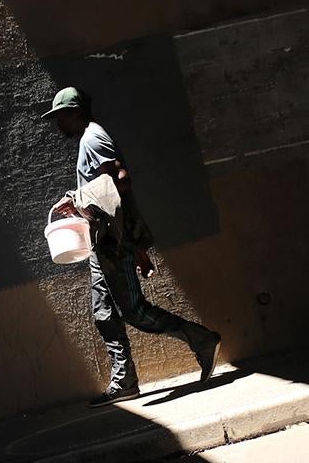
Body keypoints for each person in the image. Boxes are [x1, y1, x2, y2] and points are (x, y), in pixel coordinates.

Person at [41, 86, 220, 404]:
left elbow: (122, 181)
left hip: (113, 243)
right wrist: (139, 249)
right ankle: (124, 381)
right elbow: (116, 203)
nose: (58, 125)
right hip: (104, 241)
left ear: (76, 111)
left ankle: (201, 339)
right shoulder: (88, 139)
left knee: (133, 312)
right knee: (102, 314)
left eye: (61, 117)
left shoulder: (93, 138)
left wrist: (76, 198)